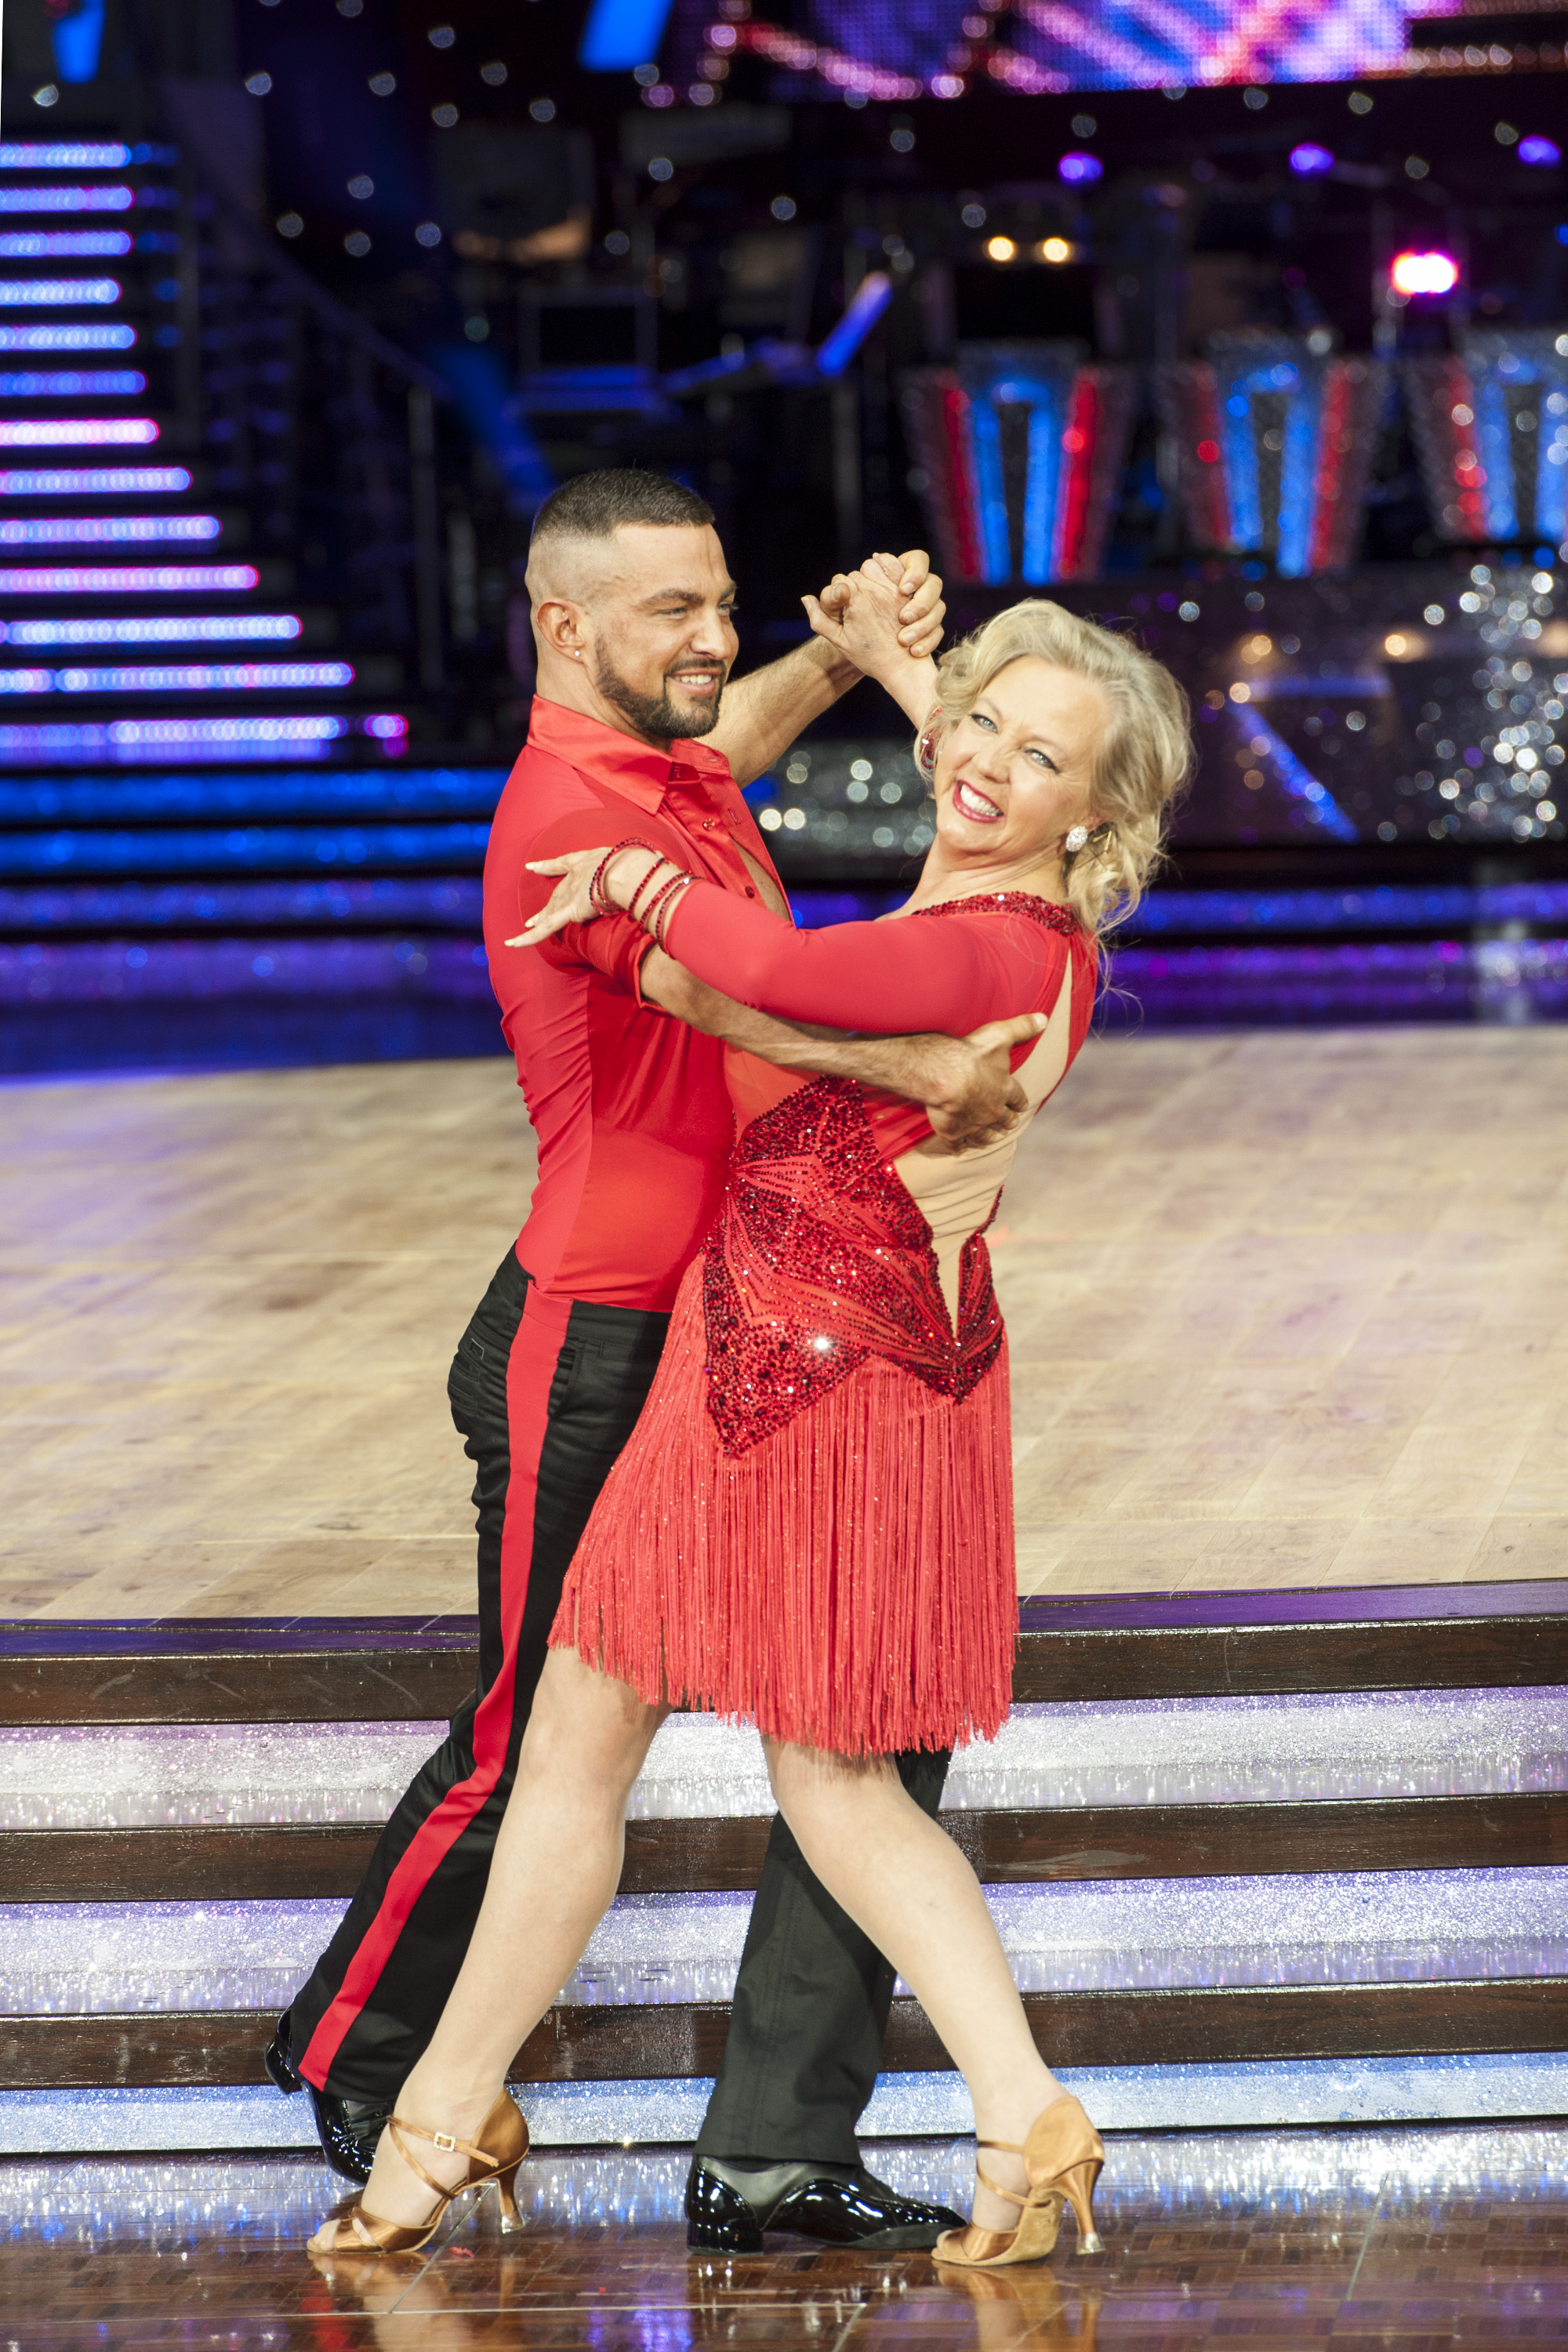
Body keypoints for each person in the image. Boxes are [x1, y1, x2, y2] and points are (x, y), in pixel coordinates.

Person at [308, 588, 1190, 2269]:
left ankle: (1009, 2109)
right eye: (980, 725)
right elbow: (974, 764)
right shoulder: (1022, 904)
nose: (987, 763)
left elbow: (776, 968)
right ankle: (455, 2117)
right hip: (813, 1358)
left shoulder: (991, 943)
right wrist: (905, 667)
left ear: (1099, 812)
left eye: (1040, 757)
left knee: (788, 1771)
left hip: (801, 1384)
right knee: (649, 1746)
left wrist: (635, 883)